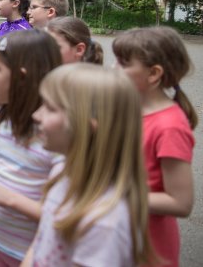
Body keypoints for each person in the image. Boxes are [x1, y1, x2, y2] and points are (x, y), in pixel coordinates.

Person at [21, 64, 153, 266]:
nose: (36, 115)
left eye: (49, 107)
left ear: (88, 127)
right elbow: (39, 243)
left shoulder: (104, 223)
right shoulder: (61, 171)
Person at [0, 30, 62, 266]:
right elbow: (11, 165)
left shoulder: (56, 138)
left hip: (34, 253)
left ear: (22, 76)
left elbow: (64, 216)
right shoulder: (1, 118)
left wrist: (8, 198)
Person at [113, 27, 196, 267]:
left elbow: (180, 203)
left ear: (153, 74)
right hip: (119, 233)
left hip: (149, 246)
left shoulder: (170, 126)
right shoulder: (129, 108)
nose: (113, 69)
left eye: (123, 63)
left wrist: (113, 195)